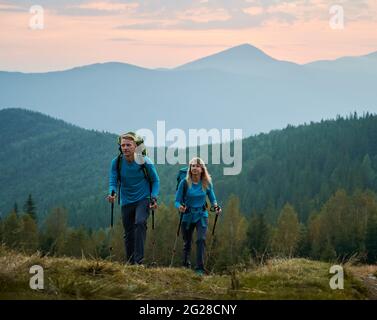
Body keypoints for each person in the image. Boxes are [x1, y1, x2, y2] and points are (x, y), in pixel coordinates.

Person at [107, 132, 159, 265]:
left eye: (128, 145)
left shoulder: (145, 162)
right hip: (126, 200)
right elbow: (113, 180)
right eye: (123, 145)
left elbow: (155, 181)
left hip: (143, 198)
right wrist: (112, 192)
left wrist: (153, 198)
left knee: (140, 223)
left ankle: (139, 261)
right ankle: (130, 262)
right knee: (129, 232)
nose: (125, 148)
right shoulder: (116, 162)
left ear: (135, 147)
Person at [175, 157, 221, 275]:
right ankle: (185, 265)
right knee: (187, 242)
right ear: (190, 169)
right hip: (187, 215)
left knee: (201, 239)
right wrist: (180, 207)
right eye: (192, 166)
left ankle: (200, 268)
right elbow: (177, 200)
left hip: (201, 215)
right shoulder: (184, 183)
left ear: (202, 169)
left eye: (197, 166)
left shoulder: (206, 182)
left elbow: (212, 197)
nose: (194, 168)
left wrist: (215, 206)